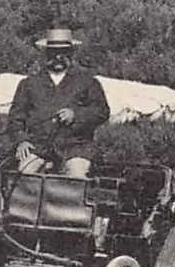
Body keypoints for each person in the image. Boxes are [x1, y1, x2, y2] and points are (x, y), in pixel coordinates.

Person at [7, 27, 110, 178]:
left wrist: (76, 115)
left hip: (75, 148)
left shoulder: (88, 82)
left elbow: (102, 112)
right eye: (53, 52)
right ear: (46, 53)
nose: (58, 57)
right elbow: (15, 116)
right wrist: (21, 141)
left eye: (63, 52)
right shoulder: (29, 83)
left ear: (71, 53)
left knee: (76, 177)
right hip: (39, 148)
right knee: (24, 175)